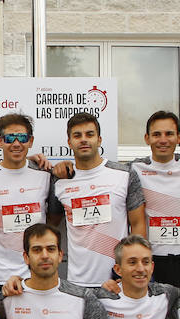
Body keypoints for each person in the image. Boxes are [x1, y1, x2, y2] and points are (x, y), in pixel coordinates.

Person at [48, 113, 146, 288]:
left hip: (117, 281)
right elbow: (50, 226)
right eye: (77, 135)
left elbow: (138, 225)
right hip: (77, 283)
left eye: (90, 134)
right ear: (69, 142)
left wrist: (130, 272)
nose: (84, 140)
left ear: (99, 140)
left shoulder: (124, 175)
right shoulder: (60, 180)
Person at [0, 112, 52, 305]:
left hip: (39, 275)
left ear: (30, 141)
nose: (16, 143)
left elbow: (53, 221)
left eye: (22, 138)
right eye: (9, 138)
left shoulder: (46, 175)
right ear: (0, 141)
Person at [130, 111, 180, 291]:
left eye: (169, 134)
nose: (163, 140)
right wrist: (68, 167)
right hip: (153, 263)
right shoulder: (133, 168)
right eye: (156, 134)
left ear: (179, 137)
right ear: (147, 138)